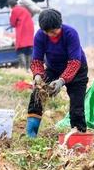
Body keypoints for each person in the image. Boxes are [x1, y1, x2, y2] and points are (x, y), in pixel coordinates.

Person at [26, 9, 89, 137]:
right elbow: (37, 60)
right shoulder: (39, 36)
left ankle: (78, 134)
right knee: (37, 95)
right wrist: (38, 75)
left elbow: (74, 62)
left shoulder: (71, 34)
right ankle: (31, 134)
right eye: (47, 32)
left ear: (60, 25)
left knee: (77, 107)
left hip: (76, 70)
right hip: (53, 68)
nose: (51, 35)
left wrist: (61, 80)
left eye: (54, 31)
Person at [8, 0, 35, 70]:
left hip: (22, 30)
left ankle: (24, 68)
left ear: (10, 6)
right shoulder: (23, 9)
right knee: (28, 47)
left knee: (20, 48)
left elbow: (12, 23)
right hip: (29, 29)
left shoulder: (14, 10)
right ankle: (28, 68)